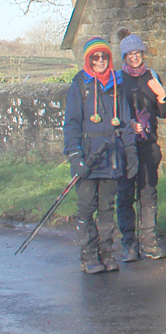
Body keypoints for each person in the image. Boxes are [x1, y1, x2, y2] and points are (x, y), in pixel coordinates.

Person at [64, 37, 137, 274]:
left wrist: (131, 153)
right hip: (88, 157)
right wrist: (75, 157)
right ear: (88, 60)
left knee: (107, 208)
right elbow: (71, 124)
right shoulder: (80, 86)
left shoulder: (117, 84)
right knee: (86, 208)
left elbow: (125, 122)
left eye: (104, 56)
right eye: (95, 57)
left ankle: (107, 253)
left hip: (111, 157)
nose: (100, 61)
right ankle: (88, 255)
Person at [115, 31, 166, 261]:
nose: (135, 57)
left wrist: (162, 96)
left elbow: (163, 113)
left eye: (138, 52)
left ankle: (149, 242)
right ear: (124, 57)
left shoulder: (152, 76)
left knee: (148, 192)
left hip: (148, 144)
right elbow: (114, 114)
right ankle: (128, 243)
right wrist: (128, 124)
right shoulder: (118, 79)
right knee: (126, 195)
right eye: (130, 54)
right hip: (125, 145)